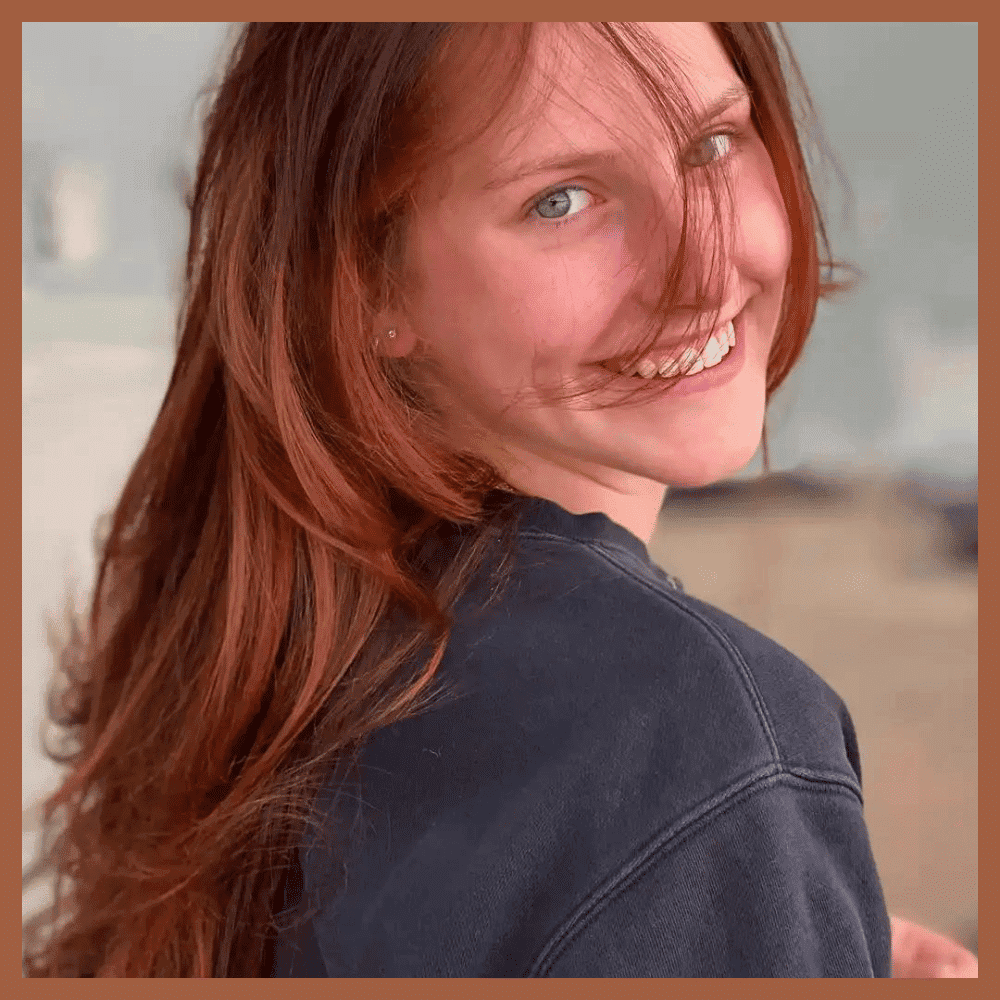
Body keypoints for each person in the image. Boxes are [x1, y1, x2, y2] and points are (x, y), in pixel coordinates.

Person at [22, 22, 977, 978]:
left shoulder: (287, 654)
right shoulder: (693, 736)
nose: (704, 266)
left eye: (712, 144)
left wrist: (761, 917)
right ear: (368, 285)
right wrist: (724, 859)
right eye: (559, 200)